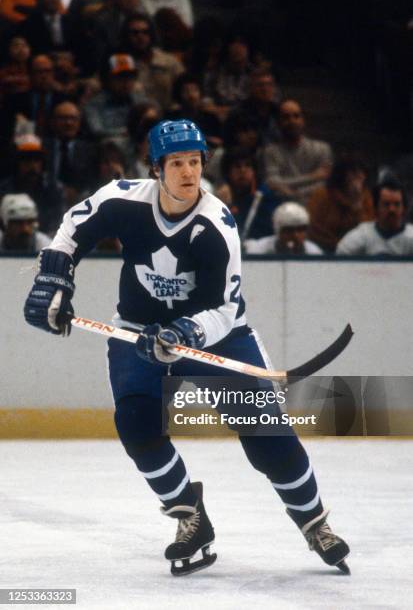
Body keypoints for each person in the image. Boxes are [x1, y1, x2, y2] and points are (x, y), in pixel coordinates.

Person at [23, 118, 349, 576]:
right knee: (136, 424)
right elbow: (72, 228)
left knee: (267, 438)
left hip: (219, 335)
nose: (188, 173)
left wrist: (185, 334)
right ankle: (188, 516)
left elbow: (222, 307)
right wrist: (54, 277)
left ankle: (314, 522)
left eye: (194, 162)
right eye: (176, 163)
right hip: (137, 330)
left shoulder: (217, 225)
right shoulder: (123, 199)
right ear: (157, 169)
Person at [264, 99, 333, 205]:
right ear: (278, 122)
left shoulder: (322, 148)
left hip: (316, 207)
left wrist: (292, 192)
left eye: (296, 116)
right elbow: (272, 183)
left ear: (303, 120)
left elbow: (324, 183)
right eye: (286, 117)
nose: (292, 121)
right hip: (283, 209)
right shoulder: (270, 152)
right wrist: (313, 176)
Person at [307, 157, 374, 253]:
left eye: (361, 173)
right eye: (353, 173)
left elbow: (369, 228)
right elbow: (313, 229)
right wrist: (340, 245)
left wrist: (357, 205)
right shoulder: (322, 195)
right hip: (325, 251)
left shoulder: (366, 197)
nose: (358, 177)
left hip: (357, 250)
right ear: (341, 175)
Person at [336, 180, 413, 255]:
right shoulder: (364, 233)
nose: (391, 209)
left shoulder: (411, 235)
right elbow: (341, 253)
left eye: (397, 204)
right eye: (386, 204)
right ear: (376, 208)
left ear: (404, 208)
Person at [244, 202, 323, 255]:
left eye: (300, 229)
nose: (295, 235)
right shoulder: (259, 250)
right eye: (289, 230)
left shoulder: (314, 252)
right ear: (278, 230)